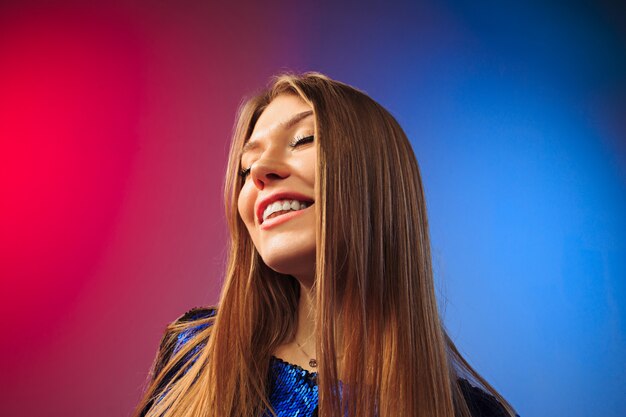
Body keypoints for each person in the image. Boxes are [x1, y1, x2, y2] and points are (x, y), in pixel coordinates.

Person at [133, 72, 518, 417]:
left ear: (375, 178)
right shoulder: (192, 355)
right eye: (246, 168)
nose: (260, 174)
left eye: (302, 139)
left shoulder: (472, 413)